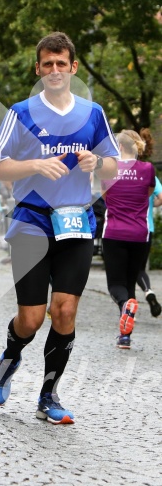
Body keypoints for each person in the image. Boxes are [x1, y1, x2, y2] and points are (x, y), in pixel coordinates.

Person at [0, 32, 118, 424]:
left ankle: (49, 395)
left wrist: (96, 162)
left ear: (73, 68)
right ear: (38, 69)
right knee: (32, 318)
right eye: (48, 64)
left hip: (76, 221)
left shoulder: (92, 113)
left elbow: (113, 164)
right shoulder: (21, 112)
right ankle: (10, 356)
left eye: (62, 64)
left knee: (65, 311)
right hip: (31, 222)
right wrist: (34, 165)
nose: (55, 70)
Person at [101, 131, 156, 348]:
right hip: (139, 234)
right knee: (131, 283)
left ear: (120, 147)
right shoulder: (148, 169)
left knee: (116, 284)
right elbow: (148, 194)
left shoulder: (109, 169)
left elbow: (106, 197)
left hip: (114, 232)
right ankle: (125, 336)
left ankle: (125, 306)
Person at [135, 129, 162, 318]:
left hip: (124, 227)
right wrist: (151, 202)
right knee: (139, 266)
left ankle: (127, 308)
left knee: (128, 271)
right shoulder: (150, 172)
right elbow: (160, 198)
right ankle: (148, 292)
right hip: (147, 228)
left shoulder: (124, 170)